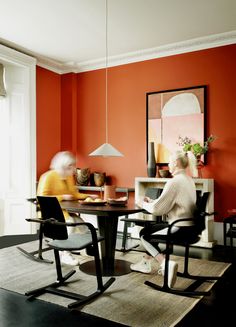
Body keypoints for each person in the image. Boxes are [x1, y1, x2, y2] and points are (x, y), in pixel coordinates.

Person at [131, 150, 198, 288]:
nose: (168, 165)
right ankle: (145, 262)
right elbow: (168, 203)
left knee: (144, 234)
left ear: (176, 163)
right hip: (191, 228)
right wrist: (152, 201)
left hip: (179, 229)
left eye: (169, 162)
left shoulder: (174, 182)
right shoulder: (189, 180)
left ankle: (166, 263)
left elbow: (157, 209)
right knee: (152, 230)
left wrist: (142, 203)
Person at [37, 151, 98, 266]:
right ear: (63, 165)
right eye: (70, 166)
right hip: (51, 213)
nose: (73, 168)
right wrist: (62, 197)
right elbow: (42, 199)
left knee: (83, 226)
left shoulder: (68, 177)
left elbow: (74, 194)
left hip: (65, 211)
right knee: (69, 224)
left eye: (73, 165)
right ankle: (64, 253)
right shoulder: (48, 177)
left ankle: (84, 249)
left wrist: (89, 196)